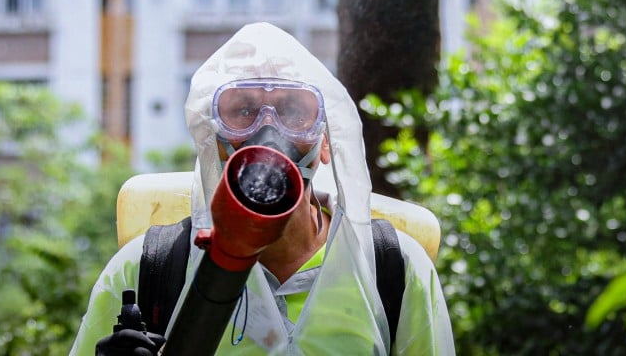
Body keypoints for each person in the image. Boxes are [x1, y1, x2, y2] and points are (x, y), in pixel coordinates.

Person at [69, 22, 455, 355]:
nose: (268, 133)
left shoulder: (393, 270)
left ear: (325, 143)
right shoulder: (146, 270)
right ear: (215, 142)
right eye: (243, 111)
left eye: (293, 111)